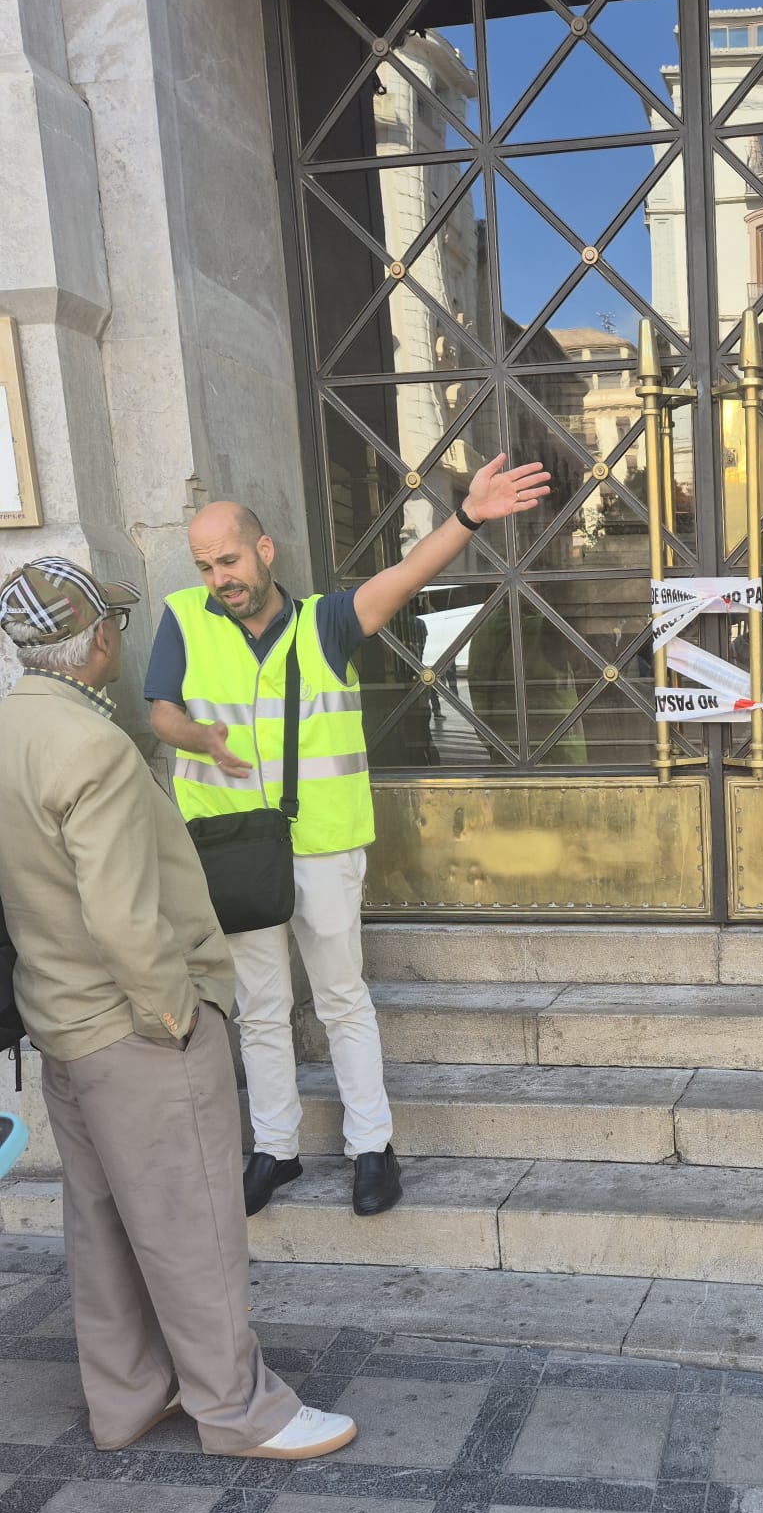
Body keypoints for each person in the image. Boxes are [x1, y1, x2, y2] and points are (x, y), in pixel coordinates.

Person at [0, 557, 353, 1459]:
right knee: (193, 1225)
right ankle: (240, 1412)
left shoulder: (10, 727)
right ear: (98, 642)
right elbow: (123, 913)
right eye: (115, 622)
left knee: (105, 1228)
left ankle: (127, 1400)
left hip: (61, 1021)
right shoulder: (92, 745)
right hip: (134, 1028)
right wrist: (177, 1014)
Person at [145, 455, 549, 1218]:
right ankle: (276, 1151)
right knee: (261, 1008)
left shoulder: (325, 622)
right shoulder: (183, 617)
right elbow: (159, 711)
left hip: (322, 846)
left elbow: (401, 577)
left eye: (228, 560)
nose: (218, 578)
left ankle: (372, 1148)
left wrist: (466, 518)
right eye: (205, 566)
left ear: (264, 551)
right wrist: (201, 738)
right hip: (232, 849)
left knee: (339, 999)